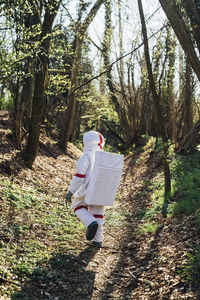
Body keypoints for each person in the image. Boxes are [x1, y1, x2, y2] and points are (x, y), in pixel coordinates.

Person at [65, 131, 105, 247]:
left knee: (77, 206)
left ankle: (90, 222)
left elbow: (79, 176)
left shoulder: (86, 156)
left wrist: (71, 191)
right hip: (101, 190)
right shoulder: (103, 156)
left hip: (87, 190)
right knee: (98, 213)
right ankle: (98, 240)